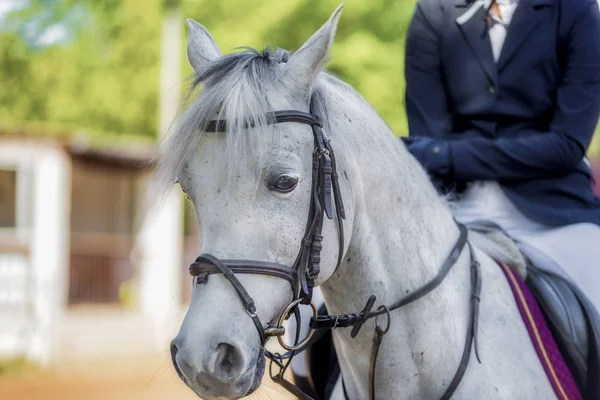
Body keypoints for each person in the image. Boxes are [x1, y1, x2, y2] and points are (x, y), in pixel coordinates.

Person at [403, 0, 600, 312]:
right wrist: (440, 154)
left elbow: (567, 144)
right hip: (455, 209)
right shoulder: (434, 12)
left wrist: (451, 155)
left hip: (553, 212)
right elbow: (429, 139)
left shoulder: (577, 11)